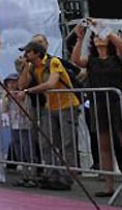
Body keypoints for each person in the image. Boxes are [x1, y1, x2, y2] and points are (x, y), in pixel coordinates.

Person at [71, 20, 122, 197]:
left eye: (102, 37)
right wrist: (80, 37)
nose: (99, 38)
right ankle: (109, 185)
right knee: (104, 145)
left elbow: (121, 45)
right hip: (98, 103)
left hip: (117, 102)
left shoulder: (118, 58)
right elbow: (76, 60)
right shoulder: (91, 61)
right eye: (96, 37)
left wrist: (102, 29)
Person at [17, 41, 81, 191]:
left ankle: (66, 178)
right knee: (47, 141)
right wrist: (25, 68)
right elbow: (21, 85)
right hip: (50, 107)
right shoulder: (33, 67)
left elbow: (51, 83)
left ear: (37, 53)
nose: (25, 55)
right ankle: (51, 174)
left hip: (67, 105)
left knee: (67, 142)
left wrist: (28, 92)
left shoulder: (53, 62)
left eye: (28, 52)